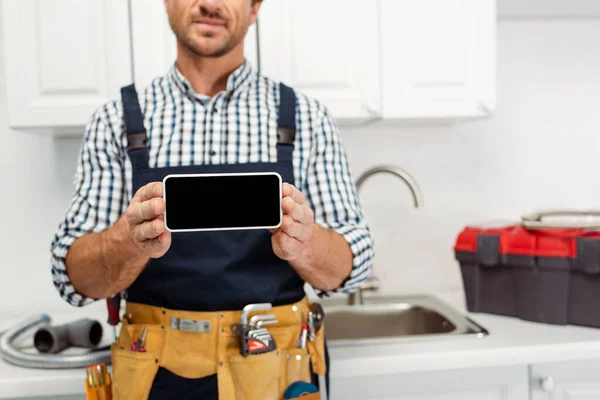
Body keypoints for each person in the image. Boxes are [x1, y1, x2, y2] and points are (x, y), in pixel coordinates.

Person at [50, 0, 374, 398]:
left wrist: (306, 244)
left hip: (275, 370)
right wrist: (128, 240)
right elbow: (71, 279)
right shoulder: (115, 120)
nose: (208, 3)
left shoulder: (306, 118)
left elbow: (353, 265)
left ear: (255, 7)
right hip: (151, 373)